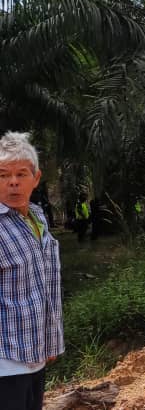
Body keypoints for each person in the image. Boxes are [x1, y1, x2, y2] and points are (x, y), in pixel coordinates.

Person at [0, 132, 64, 410]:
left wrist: (51, 341)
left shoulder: (37, 217)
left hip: (34, 355)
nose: (13, 182)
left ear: (36, 178)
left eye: (21, 174)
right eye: (2, 175)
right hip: (5, 363)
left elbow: (46, 284)